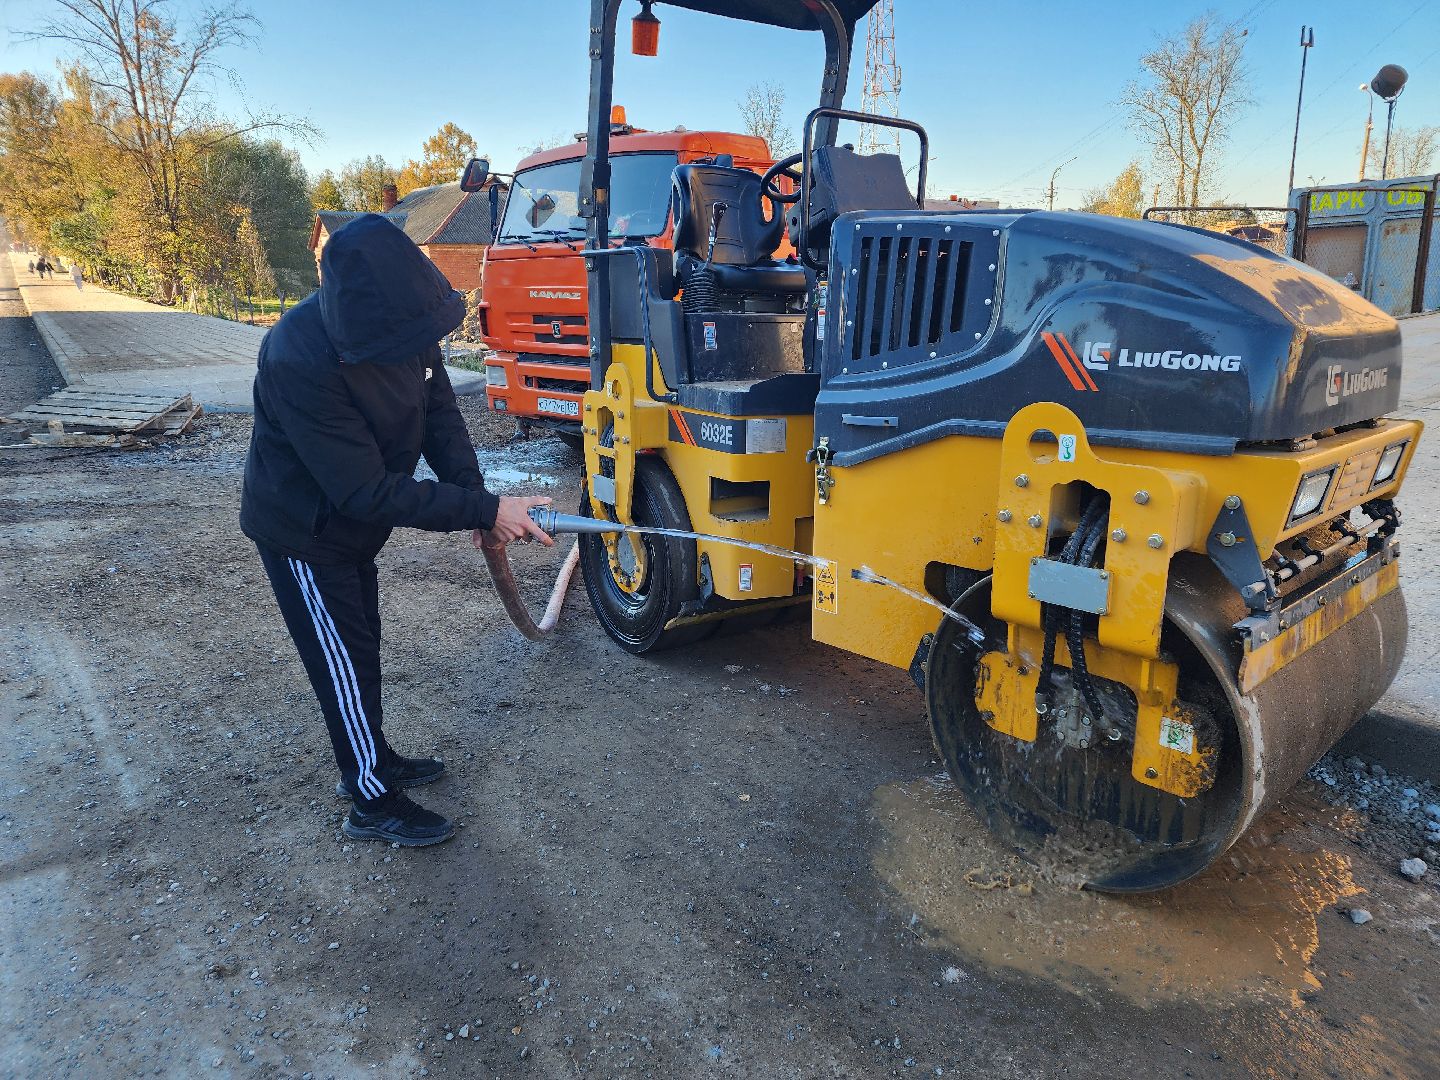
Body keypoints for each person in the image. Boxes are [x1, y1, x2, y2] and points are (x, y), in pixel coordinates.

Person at [240, 213, 553, 847]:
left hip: (356, 527)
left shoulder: (407, 317)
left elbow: (439, 415)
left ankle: (374, 755)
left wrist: (477, 495)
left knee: (361, 644)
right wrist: (484, 514)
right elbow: (361, 491)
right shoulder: (297, 355)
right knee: (341, 661)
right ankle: (369, 797)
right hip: (307, 530)